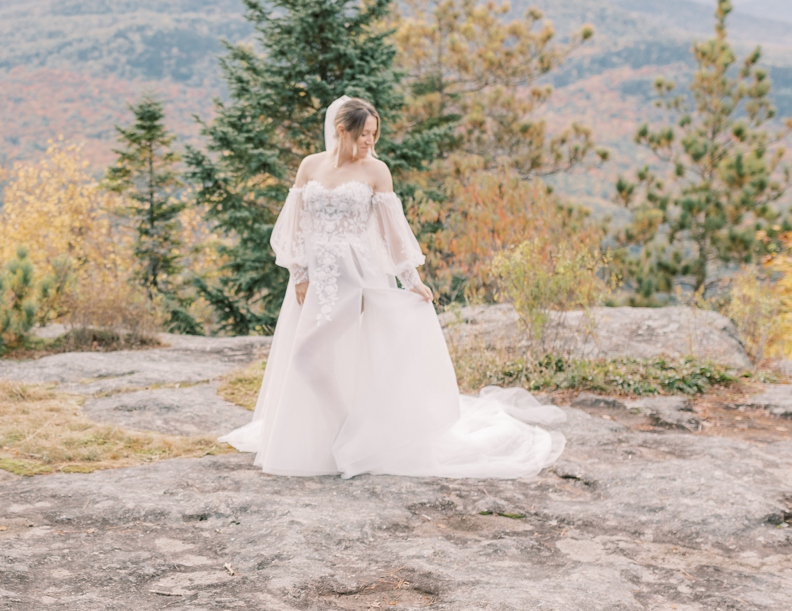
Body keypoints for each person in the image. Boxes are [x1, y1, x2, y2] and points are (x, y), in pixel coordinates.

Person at [221, 96, 566, 479]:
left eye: (373, 134)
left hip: (357, 280)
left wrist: (412, 279)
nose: (371, 141)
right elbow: (296, 224)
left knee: (306, 356)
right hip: (317, 279)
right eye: (364, 134)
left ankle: (347, 436)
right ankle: (334, 437)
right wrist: (299, 274)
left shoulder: (377, 171)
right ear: (342, 130)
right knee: (318, 359)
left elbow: (392, 233)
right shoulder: (310, 166)